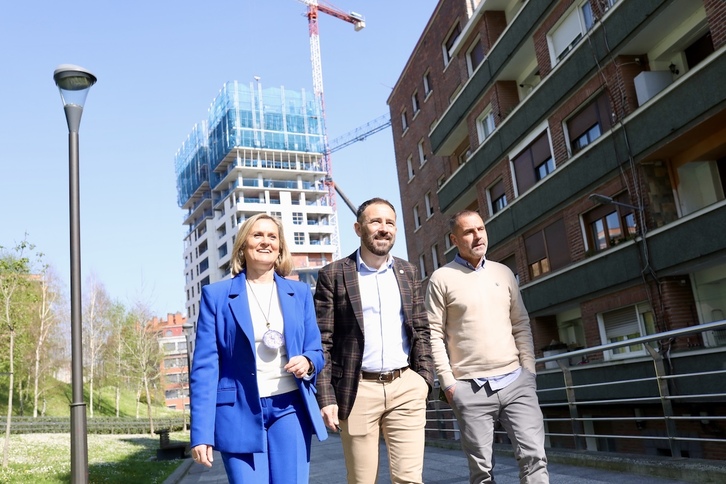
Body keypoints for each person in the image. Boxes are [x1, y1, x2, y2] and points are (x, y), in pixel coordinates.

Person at [189, 213, 327, 483]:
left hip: (290, 407)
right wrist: (201, 433)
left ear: (280, 247)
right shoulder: (216, 296)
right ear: (243, 245)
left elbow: (316, 351)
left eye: (272, 236)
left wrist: (308, 362)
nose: (266, 241)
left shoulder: (300, 293)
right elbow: (205, 369)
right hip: (237, 413)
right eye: (258, 235)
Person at [314, 197, 435, 484]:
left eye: (390, 223)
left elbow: (421, 329)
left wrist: (424, 380)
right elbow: (322, 341)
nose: (383, 228)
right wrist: (326, 397)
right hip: (358, 390)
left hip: (405, 387)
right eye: (375, 221)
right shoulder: (334, 275)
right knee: (362, 480)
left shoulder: (408, 272)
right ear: (358, 228)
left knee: (410, 479)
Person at [425, 210, 549, 484]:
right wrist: (448, 383)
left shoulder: (503, 273)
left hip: (516, 382)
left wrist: (529, 371)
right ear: (454, 239)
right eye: (469, 232)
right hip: (469, 387)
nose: (478, 236)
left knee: (535, 458)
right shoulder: (441, 278)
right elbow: (433, 333)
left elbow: (521, 323)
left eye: (480, 229)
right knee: (482, 472)